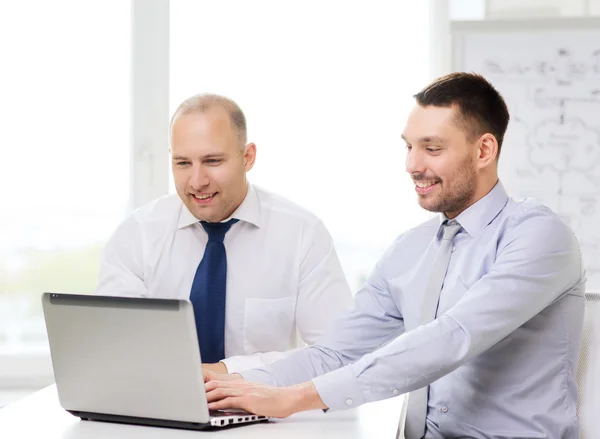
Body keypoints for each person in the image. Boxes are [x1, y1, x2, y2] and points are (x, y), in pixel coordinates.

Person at [204, 73, 586, 439]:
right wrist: (230, 387)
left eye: (432, 149)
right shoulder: (409, 250)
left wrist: (293, 398)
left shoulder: (538, 237)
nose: (412, 166)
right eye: (409, 146)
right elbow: (335, 354)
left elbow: (453, 337)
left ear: (484, 150)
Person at [96, 94, 353, 374]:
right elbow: (115, 349)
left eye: (212, 161)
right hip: (157, 409)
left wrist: (227, 372)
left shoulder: (302, 235)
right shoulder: (137, 236)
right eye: (183, 163)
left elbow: (337, 354)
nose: (197, 181)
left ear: (248, 157)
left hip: (265, 412)